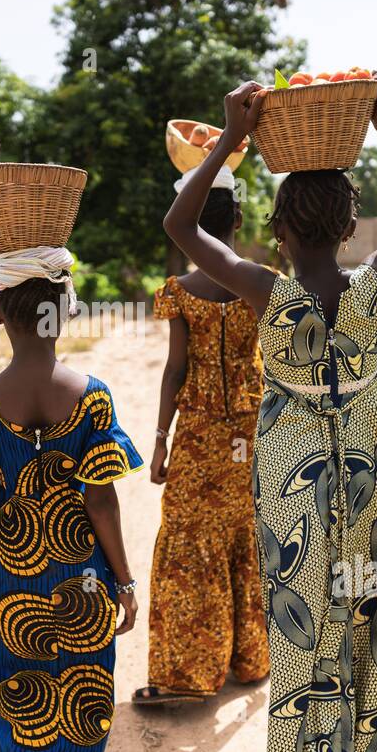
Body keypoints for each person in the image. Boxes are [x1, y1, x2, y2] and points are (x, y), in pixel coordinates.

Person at [162, 74, 377, 752]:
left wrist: (231, 135)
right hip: (367, 477)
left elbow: (180, 225)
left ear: (279, 230)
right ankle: (372, 742)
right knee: (370, 609)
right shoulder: (374, 283)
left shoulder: (263, 290)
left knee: (301, 620)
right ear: (350, 227)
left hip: (293, 481)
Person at [0, 264, 143, 752]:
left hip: (9, 585)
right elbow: (101, 501)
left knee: (21, 708)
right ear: (64, 316)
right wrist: (125, 582)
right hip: (86, 580)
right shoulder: (93, 397)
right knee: (84, 705)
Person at [134, 169, 269, 705]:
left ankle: (189, 674)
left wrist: (160, 438)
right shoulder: (264, 282)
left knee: (189, 542)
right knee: (244, 536)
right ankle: (250, 659)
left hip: (198, 433)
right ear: (237, 219)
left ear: (191, 224)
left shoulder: (181, 292)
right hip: (253, 432)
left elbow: (174, 370)